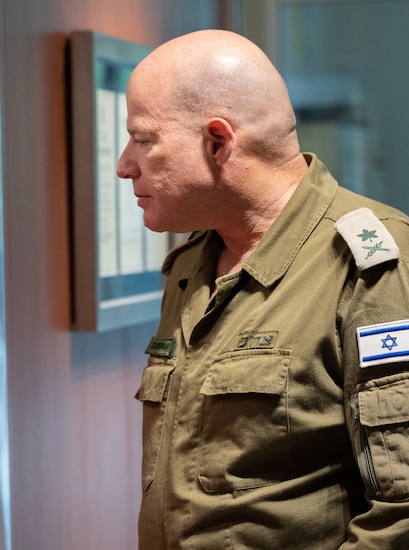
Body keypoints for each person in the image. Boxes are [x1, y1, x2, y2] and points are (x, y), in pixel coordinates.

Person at [116, 29, 409, 549]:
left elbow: (400, 512)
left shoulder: (371, 263)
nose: (124, 164)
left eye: (143, 139)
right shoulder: (191, 267)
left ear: (217, 142)